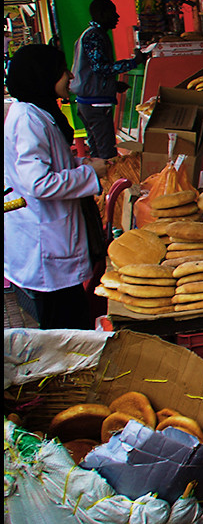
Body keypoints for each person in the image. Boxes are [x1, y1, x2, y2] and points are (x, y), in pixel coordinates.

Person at [4, 44, 109, 329]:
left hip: (53, 237)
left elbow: (50, 164)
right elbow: (38, 182)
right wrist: (89, 174)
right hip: (45, 240)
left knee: (71, 317)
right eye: (62, 71)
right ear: (43, 75)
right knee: (66, 325)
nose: (70, 76)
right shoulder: (27, 119)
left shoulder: (39, 111)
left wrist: (79, 164)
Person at [73, 0, 148, 159]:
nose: (117, 16)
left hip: (87, 101)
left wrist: (113, 85)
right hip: (95, 103)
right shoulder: (95, 36)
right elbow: (101, 68)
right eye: (112, 12)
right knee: (107, 155)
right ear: (101, 14)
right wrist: (134, 62)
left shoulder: (89, 35)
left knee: (97, 152)